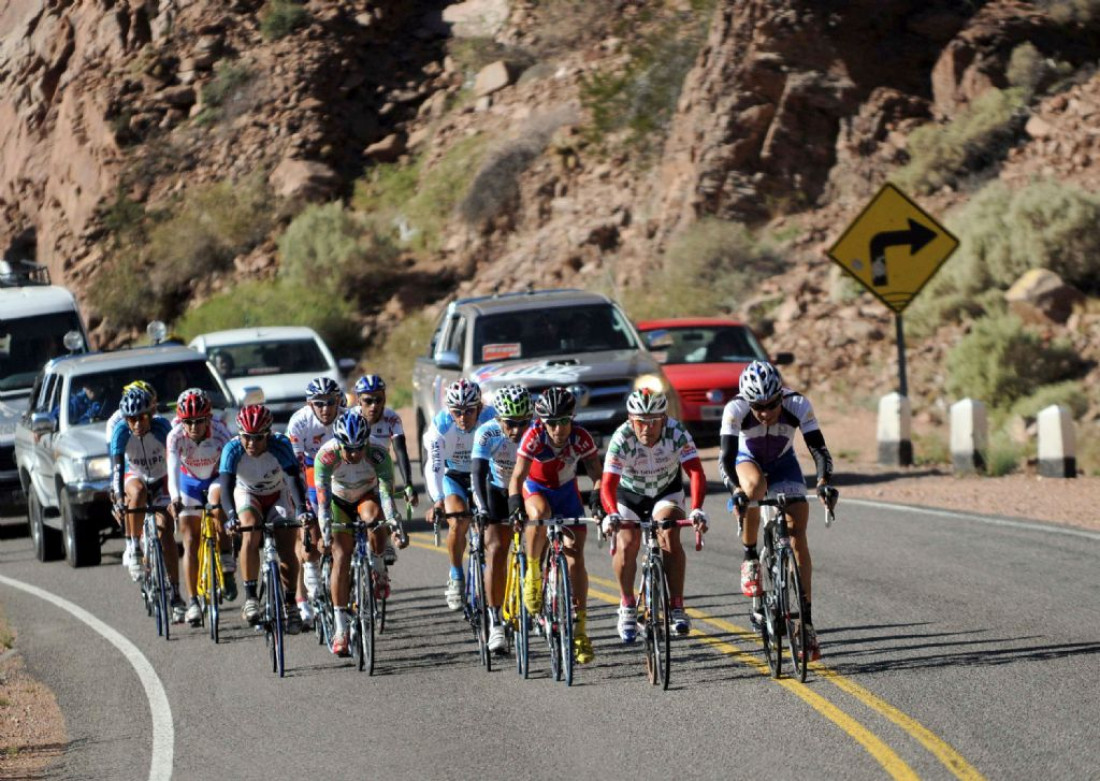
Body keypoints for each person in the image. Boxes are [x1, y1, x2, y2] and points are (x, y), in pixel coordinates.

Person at [719, 360, 834, 662]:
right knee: (754, 488)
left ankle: (806, 622)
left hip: (784, 464)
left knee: (797, 536)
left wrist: (823, 483)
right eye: (758, 407)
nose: (766, 413)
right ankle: (749, 556)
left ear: (780, 396)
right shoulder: (735, 410)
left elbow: (819, 449)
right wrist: (736, 492)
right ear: (748, 401)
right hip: (747, 461)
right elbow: (727, 458)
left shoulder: (797, 403)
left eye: (771, 405)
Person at [601, 389, 708, 642]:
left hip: (665, 492)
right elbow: (607, 484)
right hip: (630, 494)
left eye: (652, 421)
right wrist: (612, 513)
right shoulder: (622, 438)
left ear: (663, 419)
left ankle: (677, 607)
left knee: (669, 533)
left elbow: (695, 472)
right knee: (627, 543)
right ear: (630, 419)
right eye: (640, 421)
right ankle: (627, 605)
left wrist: (697, 508)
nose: (646, 428)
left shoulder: (677, 432)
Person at [508, 386, 603, 665]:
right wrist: (515, 506)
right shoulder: (534, 435)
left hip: (566, 491)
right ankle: (534, 571)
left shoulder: (581, 437)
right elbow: (517, 477)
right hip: (536, 488)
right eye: (552, 423)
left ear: (571, 418)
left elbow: (598, 475)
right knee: (539, 512)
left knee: (575, 557)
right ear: (542, 421)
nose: (558, 429)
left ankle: (580, 632)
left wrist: (598, 501)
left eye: (564, 421)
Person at [219, 404, 313, 632]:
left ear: (268, 434)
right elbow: (225, 488)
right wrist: (231, 516)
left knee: (287, 547)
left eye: (258, 438)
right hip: (247, 494)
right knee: (250, 530)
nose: (251, 444)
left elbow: (293, 480)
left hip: (278, 494)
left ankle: (291, 603)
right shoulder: (231, 449)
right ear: (239, 434)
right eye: (246, 438)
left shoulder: (280, 445)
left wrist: (301, 509)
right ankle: (251, 597)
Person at [315, 410, 400, 656]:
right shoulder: (326, 455)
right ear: (338, 444)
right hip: (338, 501)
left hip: (367, 496)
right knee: (340, 557)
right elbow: (322, 503)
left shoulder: (378, 453)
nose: (354, 454)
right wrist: (326, 532)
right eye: (348, 449)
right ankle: (340, 629)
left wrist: (394, 524)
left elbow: (386, 498)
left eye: (358, 448)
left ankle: (379, 567)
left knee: (374, 519)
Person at [109, 387, 188, 622]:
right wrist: (117, 496)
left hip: (162, 479)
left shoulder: (163, 428)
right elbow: (116, 467)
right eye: (131, 419)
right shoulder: (120, 431)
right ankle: (133, 547)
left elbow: (177, 462)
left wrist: (177, 496)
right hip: (135, 477)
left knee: (166, 536)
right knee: (137, 491)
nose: (136, 424)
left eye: (142, 417)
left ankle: (175, 593)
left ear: (150, 415)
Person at [423, 379, 495, 611]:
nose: (463, 417)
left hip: (482, 476)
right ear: (449, 411)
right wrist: (437, 500)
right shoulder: (441, 425)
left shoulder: (492, 418)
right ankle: (456, 576)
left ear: (480, 407)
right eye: (457, 412)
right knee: (458, 521)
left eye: (469, 411)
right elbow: (434, 466)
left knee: (492, 529)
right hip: (453, 475)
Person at [470, 384, 532, 654]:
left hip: (529, 489)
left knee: (541, 541)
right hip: (496, 489)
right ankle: (495, 621)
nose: (517, 431)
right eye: (510, 424)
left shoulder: (536, 432)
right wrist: (483, 508)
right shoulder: (487, 433)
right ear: (498, 419)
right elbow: (477, 474)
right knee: (496, 549)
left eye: (523, 423)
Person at [167, 388, 235, 626]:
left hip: (215, 477)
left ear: (209, 418)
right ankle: (193, 600)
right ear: (181, 420)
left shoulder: (220, 431)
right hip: (188, 484)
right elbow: (172, 470)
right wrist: (175, 498)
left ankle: (226, 552)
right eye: (189, 422)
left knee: (217, 506)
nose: (194, 427)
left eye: (199, 421)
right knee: (189, 539)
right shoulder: (175, 435)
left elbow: (231, 468)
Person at [286, 377, 343, 630]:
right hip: (309, 469)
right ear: (310, 404)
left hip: (340, 468)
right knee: (310, 526)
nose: (325, 408)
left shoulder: (347, 416)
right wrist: (304, 506)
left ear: (338, 401)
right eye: (319, 403)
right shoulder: (299, 422)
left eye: (330, 402)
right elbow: (296, 469)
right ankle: (310, 586)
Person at [354, 374, 419, 565]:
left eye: (379, 399)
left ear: (385, 398)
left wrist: (408, 484)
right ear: (359, 400)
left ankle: (386, 538)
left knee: (385, 500)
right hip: (352, 473)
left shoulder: (391, 418)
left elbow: (400, 451)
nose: (374, 405)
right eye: (368, 400)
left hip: (380, 470)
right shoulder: (350, 418)